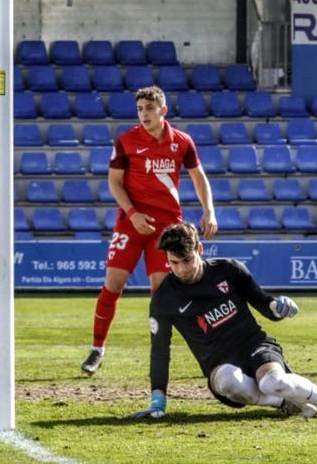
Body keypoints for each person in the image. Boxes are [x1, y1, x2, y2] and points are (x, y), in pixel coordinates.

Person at [129, 223, 317, 419]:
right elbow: (160, 351)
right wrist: (158, 401)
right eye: (174, 263)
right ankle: (283, 404)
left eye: (187, 260)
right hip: (219, 365)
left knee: (273, 382)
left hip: (256, 346)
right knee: (230, 381)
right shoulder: (164, 298)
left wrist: (279, 307)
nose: (182, 269)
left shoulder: (229, 270)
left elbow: (265, 305)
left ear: (200, 250)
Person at [81, 86, 218, 376]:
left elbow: (198, 176)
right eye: (140, 109)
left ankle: (166, 349)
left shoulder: (182, 142)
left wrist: (210, 210)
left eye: (149, 108)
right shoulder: (126, 141)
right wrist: (132, 213)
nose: (144, 114)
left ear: (163, 110)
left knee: (161, 291)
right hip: (130, 223)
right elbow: (114, 182)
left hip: (166, 229)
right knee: (113, 284)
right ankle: (97, 349)